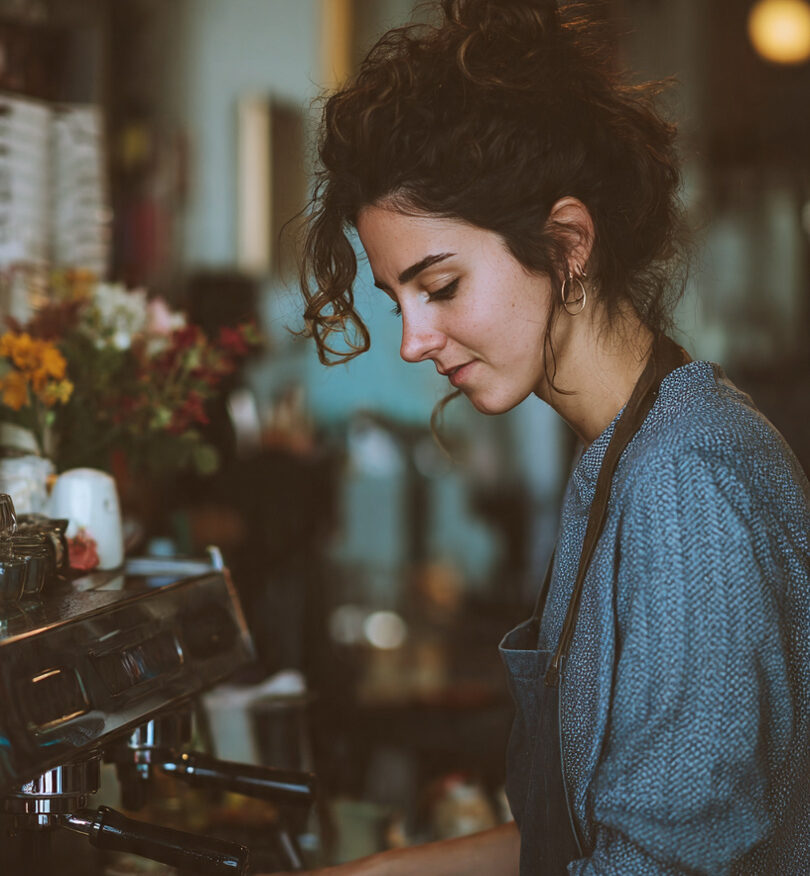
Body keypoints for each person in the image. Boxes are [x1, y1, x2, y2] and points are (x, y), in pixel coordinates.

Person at [266, 0, 810, 872]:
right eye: (395, 298)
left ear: (565, 244)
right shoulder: (622, 458)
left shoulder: (686, 477)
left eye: (439, 286)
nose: (413, 340)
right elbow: (582, 844)